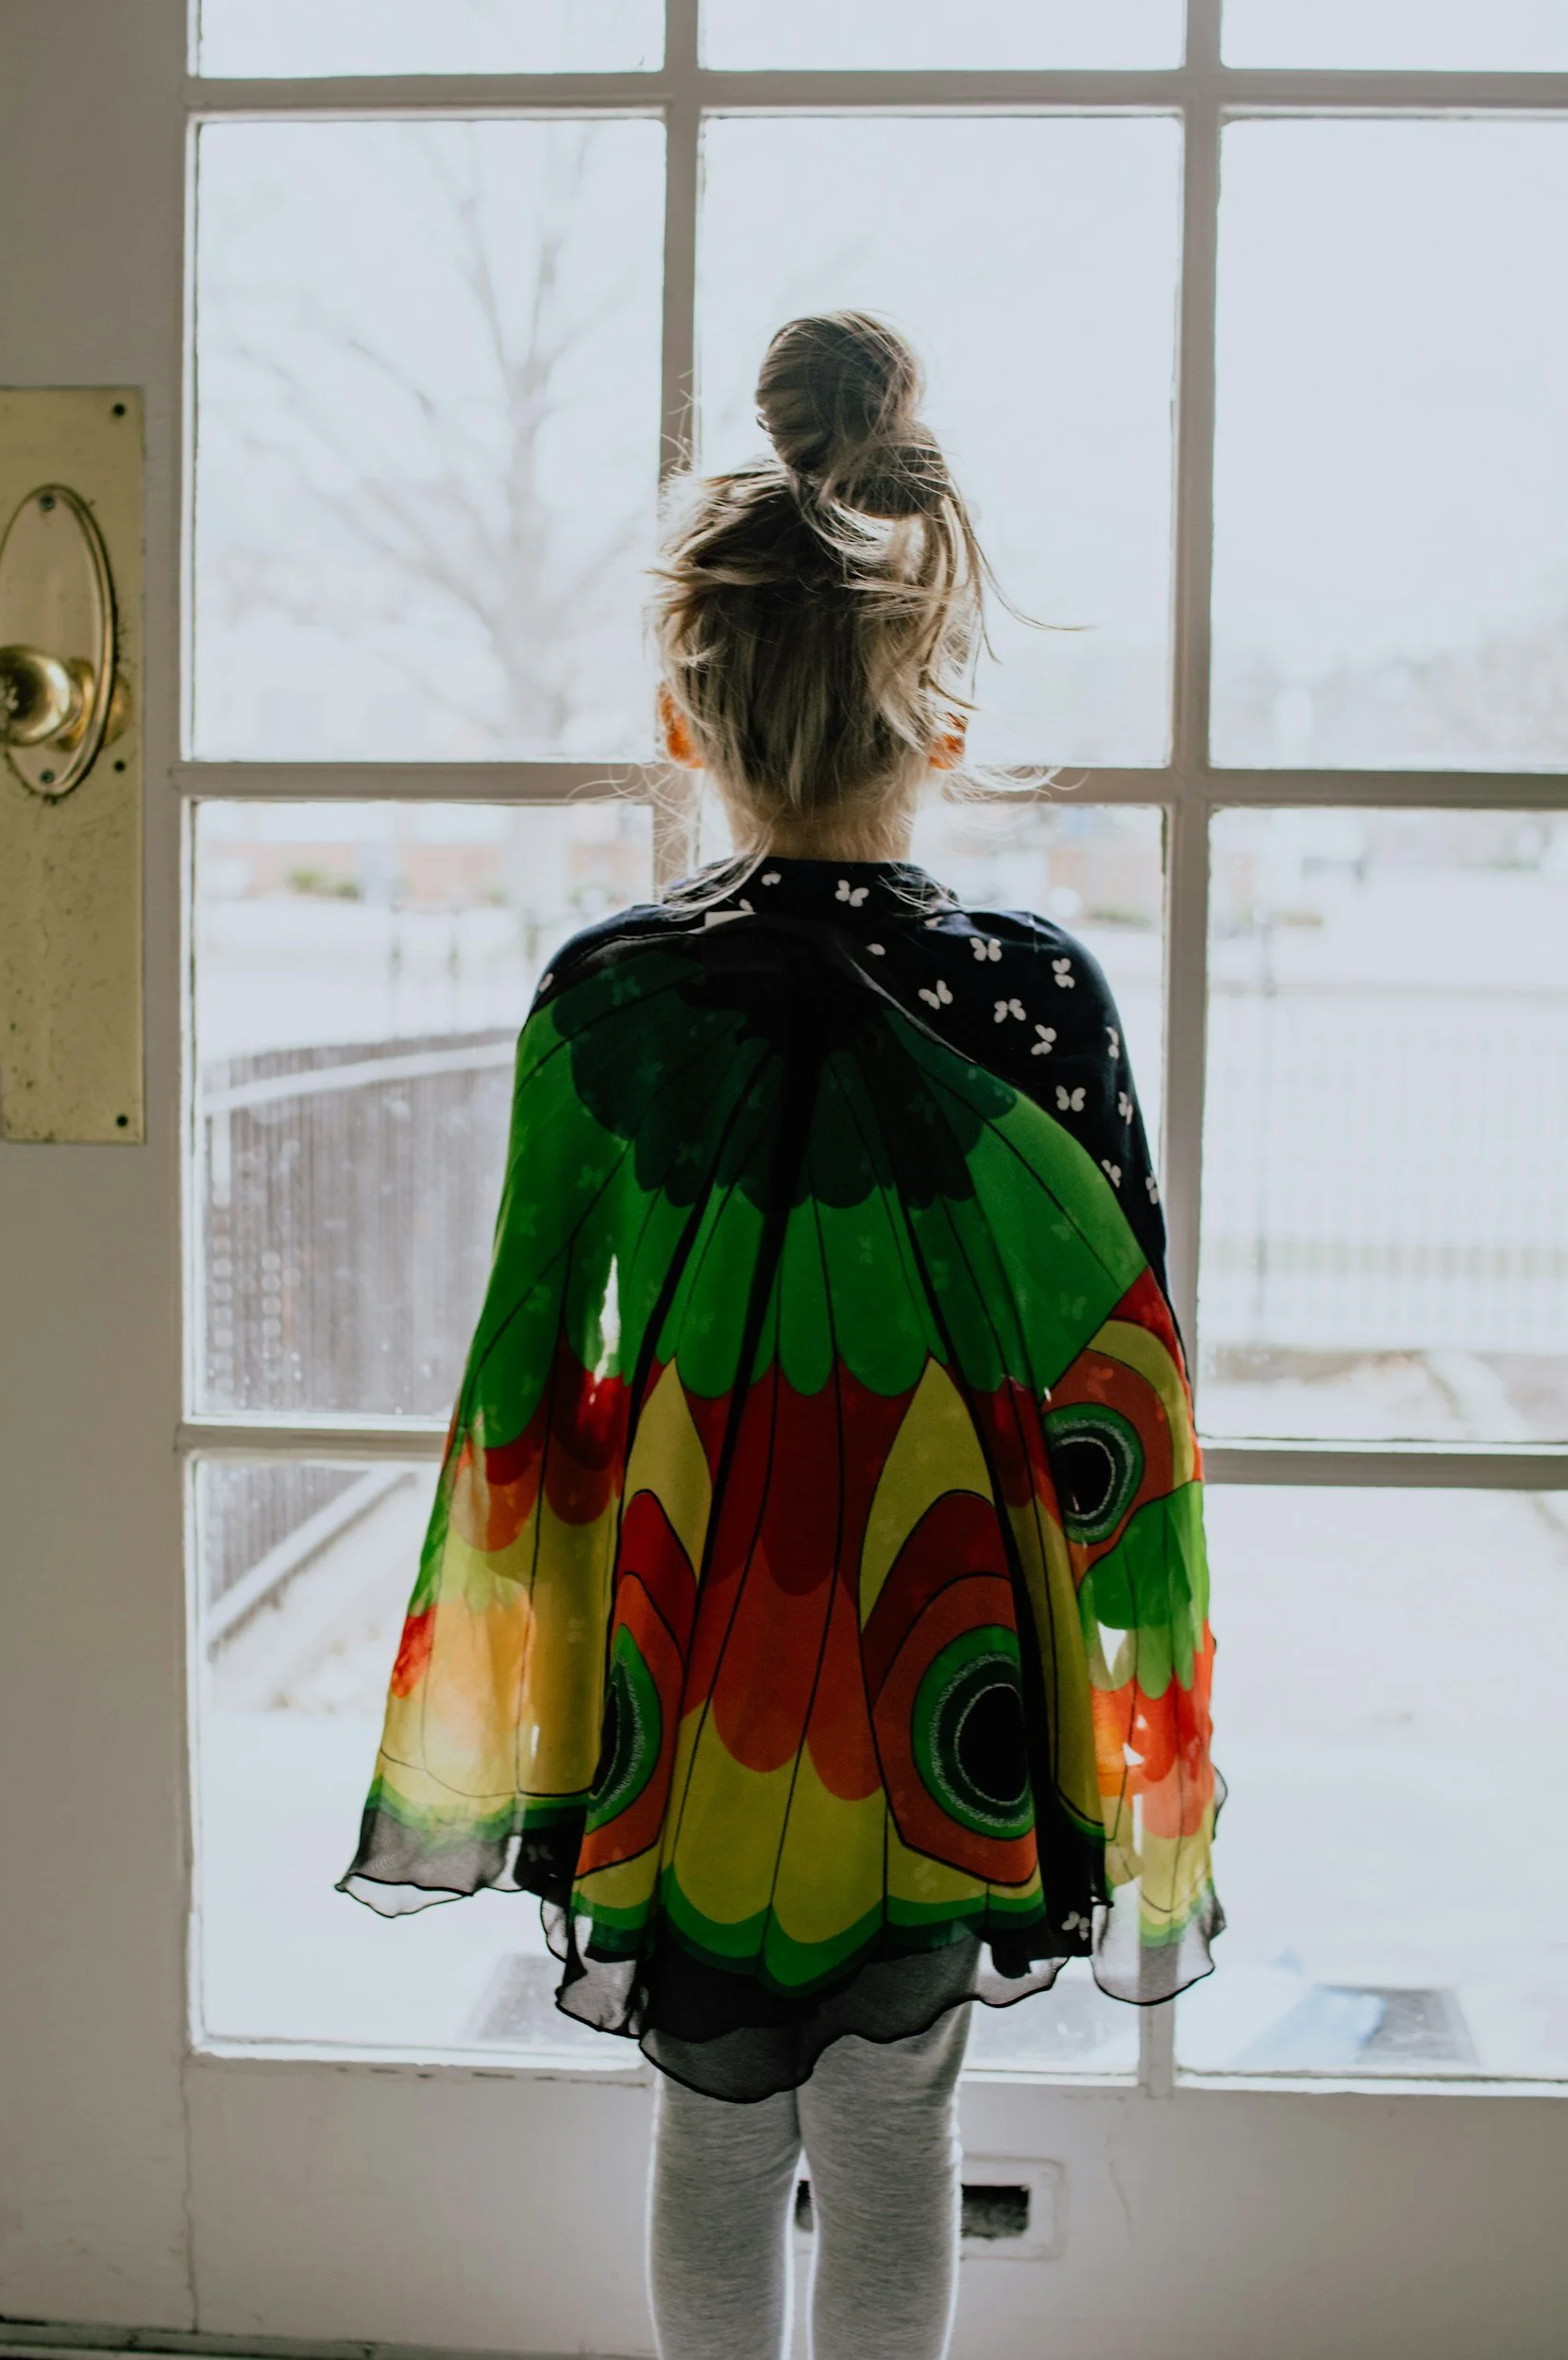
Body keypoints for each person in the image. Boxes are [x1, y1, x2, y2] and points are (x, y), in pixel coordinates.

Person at [341, 312, 1221, 2360]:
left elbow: (534, 1379)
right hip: (948, 1640)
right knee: (896, 2127)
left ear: (682, 713)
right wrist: (1120, 1661)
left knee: (712, 2127)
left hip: (688, 1639)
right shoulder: (1035, 994)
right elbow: (1122, 1360)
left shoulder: (612, 1001)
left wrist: (534, 1676)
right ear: (943, 716)